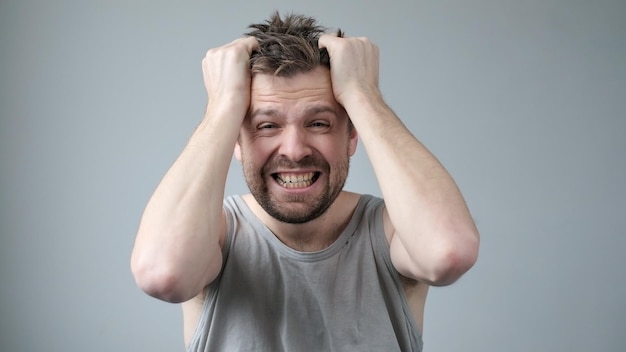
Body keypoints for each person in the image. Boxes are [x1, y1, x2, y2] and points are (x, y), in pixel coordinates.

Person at [131, 11, 479, 352]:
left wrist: (363, 95)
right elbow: (163, 274)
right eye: (267, 125)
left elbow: (447, 252)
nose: (295, 150)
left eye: (319, 123)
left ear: (352, 135)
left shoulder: (392, 233)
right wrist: (222, 107)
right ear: (236, 140)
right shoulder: (212, 234)